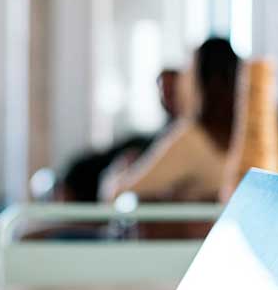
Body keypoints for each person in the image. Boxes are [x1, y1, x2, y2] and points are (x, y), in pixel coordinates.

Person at [99, 38, 239, 203]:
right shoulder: (253, 135)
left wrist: (119, 172)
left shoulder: (191, 138)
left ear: (198, 81)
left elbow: (118, 193)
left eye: (187, 72)